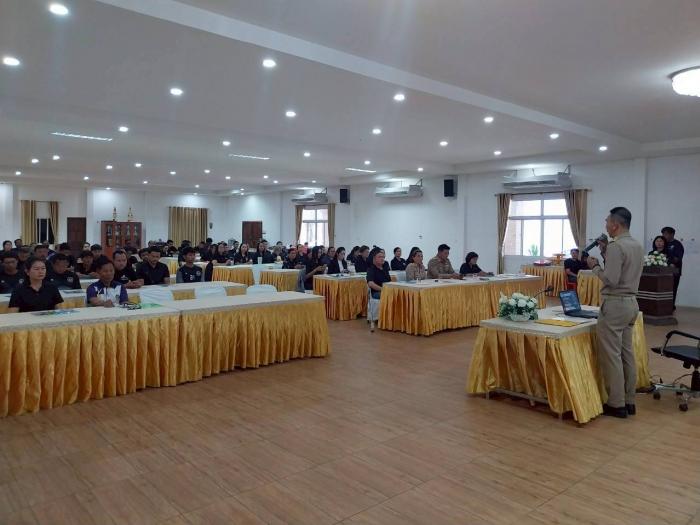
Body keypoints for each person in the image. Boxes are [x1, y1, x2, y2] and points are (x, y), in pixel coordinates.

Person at [587, 207, 643, 418]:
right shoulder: (636, 245)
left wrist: (594, 266)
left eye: (607, 222)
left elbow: (611, 279)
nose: (605, 225)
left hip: (615, 304)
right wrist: (605, 252)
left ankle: (616, 403)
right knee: (626, 353)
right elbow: (622, 268)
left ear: (615, 225)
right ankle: (629, 401)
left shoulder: (616, 246)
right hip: (631, 303)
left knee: (611, 355)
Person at [662, 226, 684, 309]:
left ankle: (671, 306)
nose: (664, 236)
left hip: (674, 271)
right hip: (663, 271)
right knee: (663, 289)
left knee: (672, 289)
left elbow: (678, 258)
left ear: (672, 234)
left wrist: (669, 260)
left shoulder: (677, 244)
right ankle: (663, 306)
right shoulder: (663, 244)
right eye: (663, 234)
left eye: (666, 234)